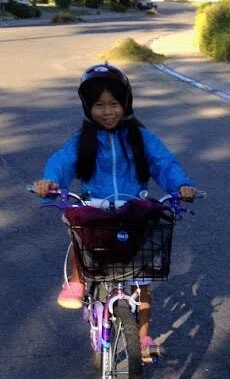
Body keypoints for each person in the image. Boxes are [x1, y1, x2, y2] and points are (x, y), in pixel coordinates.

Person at [33, 63, 197, 362]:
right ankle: (78, 282)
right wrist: (50, 181)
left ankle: (143, 337)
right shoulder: (82, 141)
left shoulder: (141, 138)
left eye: (114, 104)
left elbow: (164, 163)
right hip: (96, 208)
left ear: (125, 104)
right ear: (88, 107)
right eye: (99, 105)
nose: (107, 112)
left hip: (134, 209)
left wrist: (182, 185)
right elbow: (61, 162)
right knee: (78, 229)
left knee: (144, 279)